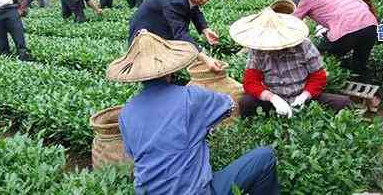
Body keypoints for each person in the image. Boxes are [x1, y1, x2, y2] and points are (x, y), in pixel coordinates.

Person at [107, 30, 280, 195]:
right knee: (265, 157)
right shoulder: (190, 97)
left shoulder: (126, 113)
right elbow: (229, 105)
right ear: (171, 68)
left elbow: (135, 153)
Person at [229, 8, 351, 118]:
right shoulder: (258, 51)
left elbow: (318, 76)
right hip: (274, 101)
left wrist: (305, 96)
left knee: (343, 103)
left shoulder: (304, 45)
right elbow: (251, 82)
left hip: (303, 96)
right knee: (246, 103)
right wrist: (273, 98)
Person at [282, 0, 378, 77]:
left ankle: (330, 79)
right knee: (359, 65)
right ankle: (360, 79)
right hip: (371, 26)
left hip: (346, 32)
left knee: (317, 53)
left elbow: (293, 21)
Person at [129, 0, 222, 72]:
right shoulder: (174, 0)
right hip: (146, 31)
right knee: (153, 70)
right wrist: (205, 59)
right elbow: (181, 33)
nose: (205, 1)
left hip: (162, 25)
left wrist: (205, 29)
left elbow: (194, 7)